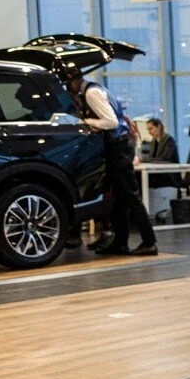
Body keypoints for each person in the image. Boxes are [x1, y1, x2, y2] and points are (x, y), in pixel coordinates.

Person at [62, 63, 157, 256]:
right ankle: (120, 242)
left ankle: (149, 242)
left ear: (74, 81)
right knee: (118, 198)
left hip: (118, 148)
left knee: (130, 197)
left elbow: (111, 122)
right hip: (118, 147)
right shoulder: (97, 89)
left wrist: (85, 122)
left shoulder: (91, 94)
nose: (67, 88)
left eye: (67, 84)